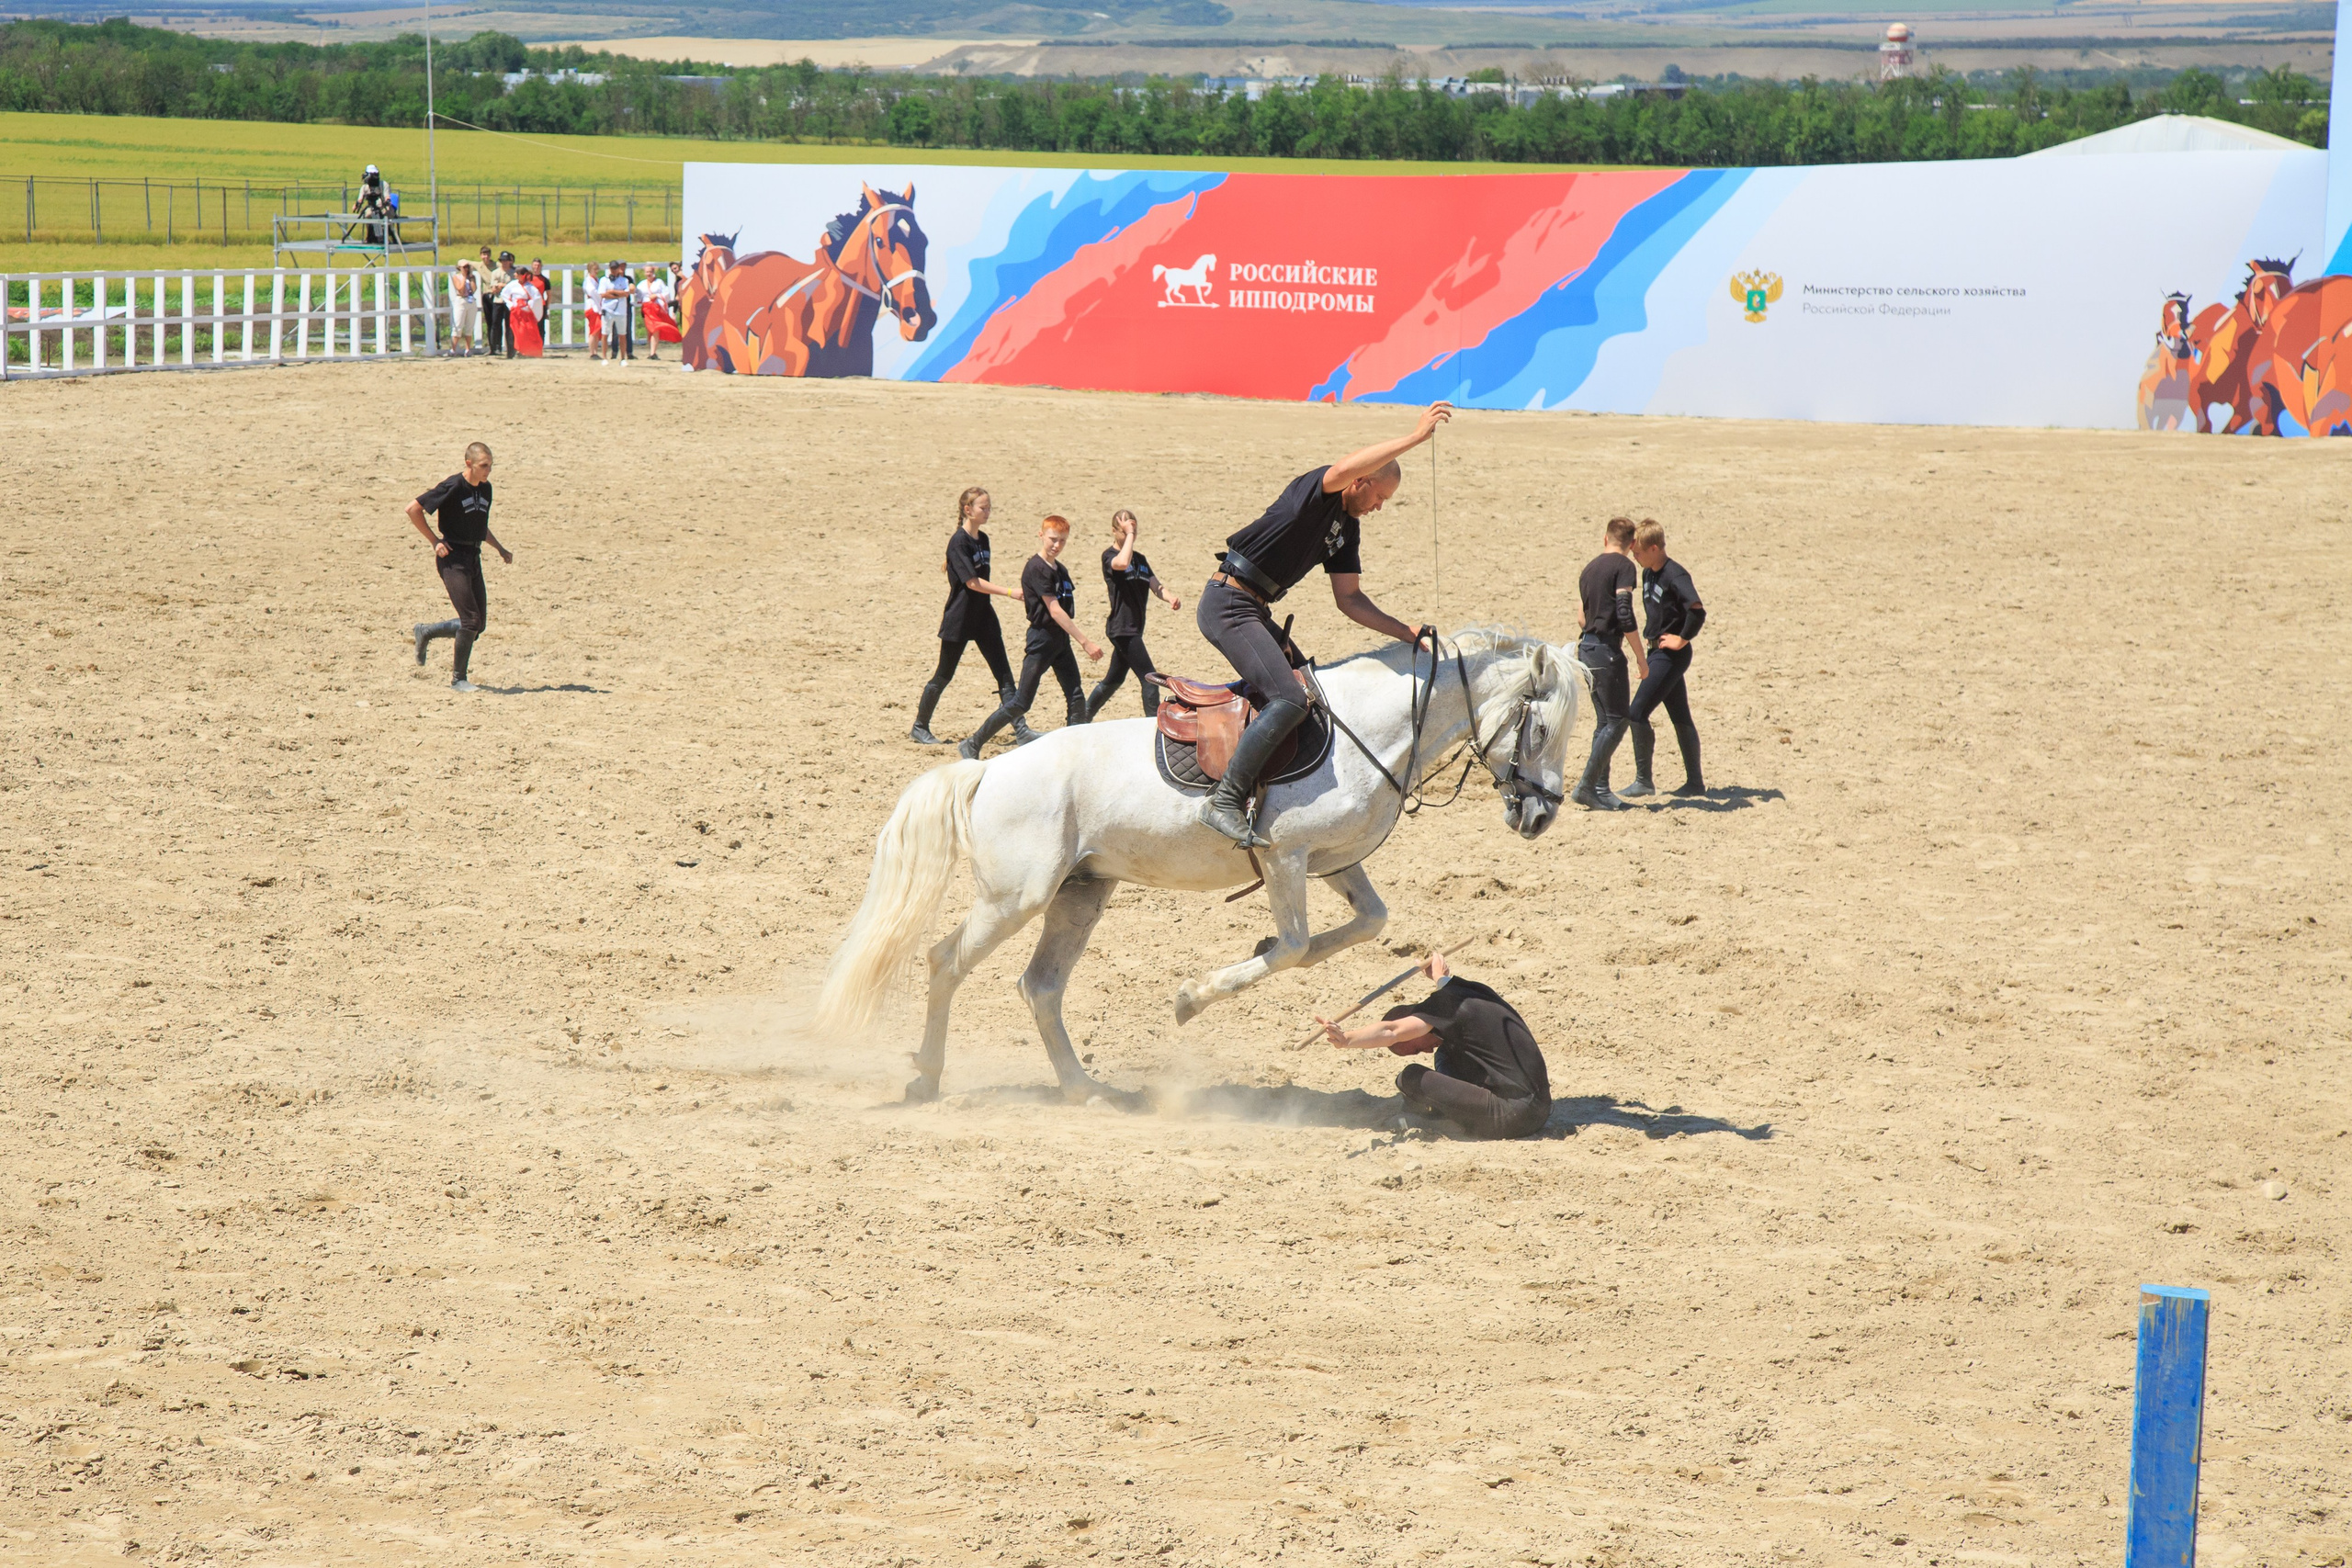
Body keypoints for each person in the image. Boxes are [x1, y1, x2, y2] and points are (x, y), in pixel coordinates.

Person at [1195, 400, 1452, 848]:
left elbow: (1349, 599)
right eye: (1378, 497)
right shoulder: (1319, 491)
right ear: (1361, 481)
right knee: (1290, 698)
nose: (1378, 507)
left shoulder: (1345, 529)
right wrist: (1414, 438)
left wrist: (1406, 631)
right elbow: (1347, 463)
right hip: (1227, 603)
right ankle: (1224, 800)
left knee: (1307, 686)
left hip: (1254, 610)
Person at [1319, 950, 1551, 1140]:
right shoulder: (1466, 992)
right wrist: (1439, 977)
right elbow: (1447, 990)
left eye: (1417, 1048)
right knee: (1445, 1053)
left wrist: (1347, 1039)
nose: (1427, 1051)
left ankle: (1436, 1114)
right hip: (1540, 1107)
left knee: (1409, 1077)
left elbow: (1392, 1031)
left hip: (1513, 1117)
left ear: (1414, 1023)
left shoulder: (1440, 1011)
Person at [959, 515, 1105, 760]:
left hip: (1059, 640)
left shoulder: (1060, 569)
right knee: (1021, 702)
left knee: (1076, 695)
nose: (1056, 545)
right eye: (1052, 539)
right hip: (1042, 640)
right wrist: (1085, 641)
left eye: (1062, 541)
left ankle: (1075, 751)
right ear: (1041, 535)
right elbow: (1054, 609)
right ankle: (973, 743)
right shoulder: (1036, 568)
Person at [910, 487, 1036, 749]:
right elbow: (972, 583)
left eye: (989, 507)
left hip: (983, 617)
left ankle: (1020, 729)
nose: (988, 512)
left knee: (1004, 675)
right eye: (983, 508)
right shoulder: (959, 542)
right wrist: (1010, 592)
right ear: (968, 510)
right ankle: (920, 727)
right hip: (960, 617)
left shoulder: (984, 540)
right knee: (944, 674)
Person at [406, 443, 514, 694]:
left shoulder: (486, 489)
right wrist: (435, 541)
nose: (488, 471)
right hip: (452, 558)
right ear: (469, 464)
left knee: (478, 625)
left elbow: (479, 525)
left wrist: (499, 548)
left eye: (490, 465)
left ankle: (426, 631)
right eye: (483, 466)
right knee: (470, 620)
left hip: (473, 556)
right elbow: (412, 509)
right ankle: (458, 680)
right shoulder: (453, 486)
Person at [1611, 519, 1707, 798]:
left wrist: (1682, 638)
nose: (1635, 556)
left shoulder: (1675, 576)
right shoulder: (1648, 573)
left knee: (1636, 712)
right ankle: (1695, 783)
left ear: (1654, 548)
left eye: (1638, 552)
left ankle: (1643, 780)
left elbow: (1697, 609)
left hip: (1670, 654)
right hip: (1657, 651)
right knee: (1680, 715)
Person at [1567, 517, 1649, 811]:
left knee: (1604, 722)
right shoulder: (1624, 566)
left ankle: (1600, 788)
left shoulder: (1589, 568)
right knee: (1618, 720)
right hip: (1606, 651)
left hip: (1586, 648)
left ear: (1605, 539)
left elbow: (1581, 617)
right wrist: (1640, 656)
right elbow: (1625, 613)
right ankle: (1587, 786)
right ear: (1631, 544)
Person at [1085, 509, 1181, 720]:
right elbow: (1122, 563)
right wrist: (1128, 536)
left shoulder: (1140, 559)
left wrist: (1169, 597)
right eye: (1126, 531)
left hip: (1135, 627)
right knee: (1150, 679)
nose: (1131, 535)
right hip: (1122, 628)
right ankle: (1153, 727)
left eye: (1134, 531)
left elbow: (1155, 585)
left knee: (1113, 680)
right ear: (1114, 531)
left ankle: (1081, 717)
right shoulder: (1109, 556)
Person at [501, 266, 544, 357]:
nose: (515, 274)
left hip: (526, 313)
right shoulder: (512, 285)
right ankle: (514, 351)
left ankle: (526, 352)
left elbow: (537, 298)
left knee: (527, 332)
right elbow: (504, 294)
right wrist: (511, 305)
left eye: (517, 273)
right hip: (515, 312)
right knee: (515, 331)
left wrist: (528, 305)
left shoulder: (530, 287)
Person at [636, 261, 674, 361]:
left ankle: (653, 352)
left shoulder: (659, 282)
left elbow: (666, 293)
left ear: (653, 272)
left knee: (655, 329)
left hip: (656, 309)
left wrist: (656, 295)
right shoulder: (642, 284)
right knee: (649, 330)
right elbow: (638, 296)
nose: (648, 274)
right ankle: (651, 351)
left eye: (650, 272)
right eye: (647, 272)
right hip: (646, 309)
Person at [599, 260, 634, 362]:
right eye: (612, 268)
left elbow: (626, 293)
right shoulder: (604, 280)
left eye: (615, 268)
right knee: (605, 333)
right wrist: (618, 294)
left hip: (621, 310)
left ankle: (623, 357)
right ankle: (604, 357)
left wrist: (612, 292)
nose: (614, 270)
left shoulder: (624, 280)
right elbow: (603, 294)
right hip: (608, 310)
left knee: (622, 334)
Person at [482, 250, 513, 358]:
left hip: (509, 302)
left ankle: (511, 348)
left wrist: (502, 285)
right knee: (495, 324)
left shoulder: (513, 273)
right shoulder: (495, 272)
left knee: (510, 326)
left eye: (506, 261)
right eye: (502, 261)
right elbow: (494, 288)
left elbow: (513, 286)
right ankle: (496, 347)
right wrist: (503, 286)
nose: (504, 263)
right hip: (498, 301)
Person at [447, 260, 480, 355]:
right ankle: (453, 349)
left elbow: (474, 289)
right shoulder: (456, 277)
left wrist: (470, 278)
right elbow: (460, 289)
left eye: (467, 267)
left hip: (470, 300)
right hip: (461, 300)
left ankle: (467, 349)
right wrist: (464, 277)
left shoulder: (472, 277)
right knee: (458, 324)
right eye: (464, 267)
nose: (466, 269)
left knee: (470, 325)